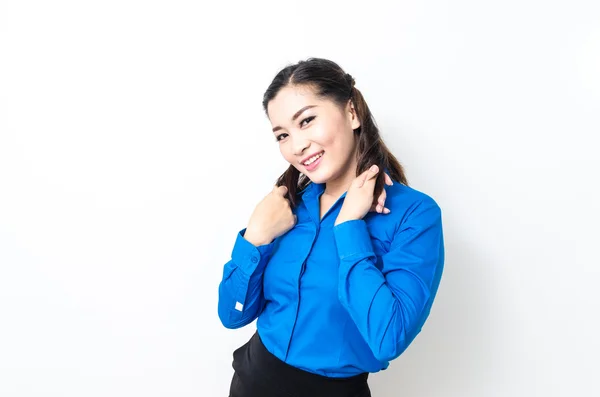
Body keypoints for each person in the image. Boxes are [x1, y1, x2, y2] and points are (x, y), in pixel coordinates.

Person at [217, 57, 445, 397]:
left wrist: (350, 225)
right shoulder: (288, 204)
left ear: (352, 112)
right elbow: (232, 315)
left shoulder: (413, 215)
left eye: (307, 120)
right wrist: (256, 236)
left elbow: (388, 338)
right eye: (283, 135)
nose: (296, 146)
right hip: (251, 381)